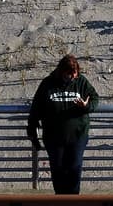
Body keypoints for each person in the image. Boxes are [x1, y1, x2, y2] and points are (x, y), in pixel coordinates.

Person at [27, 54, 100, 195]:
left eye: (75, 74)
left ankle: (73, 200)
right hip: (53, 137)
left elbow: (95, 99)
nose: (72, 77)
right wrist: (32, 133)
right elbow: (36, 109)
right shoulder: (47, 84)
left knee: (75, 167)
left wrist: (86, 106)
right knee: (58, 168)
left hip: (78, 135)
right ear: (61, 71)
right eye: (69, 74)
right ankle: (60, 199)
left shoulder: (81, 81)